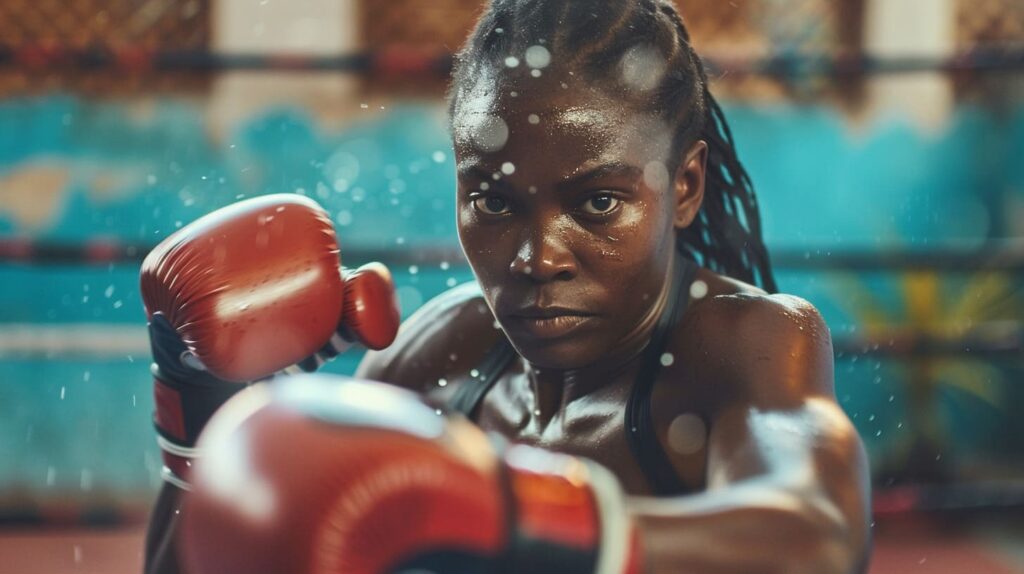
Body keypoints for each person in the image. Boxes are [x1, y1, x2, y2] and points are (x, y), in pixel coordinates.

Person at [143, 1, 870, 572]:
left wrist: (522, 518)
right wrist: (198, 406)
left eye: (598, 203)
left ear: (683, 186)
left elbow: (820, 533)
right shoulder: (440, 359)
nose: (535, 257)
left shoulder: (742, 344)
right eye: (494, 202)